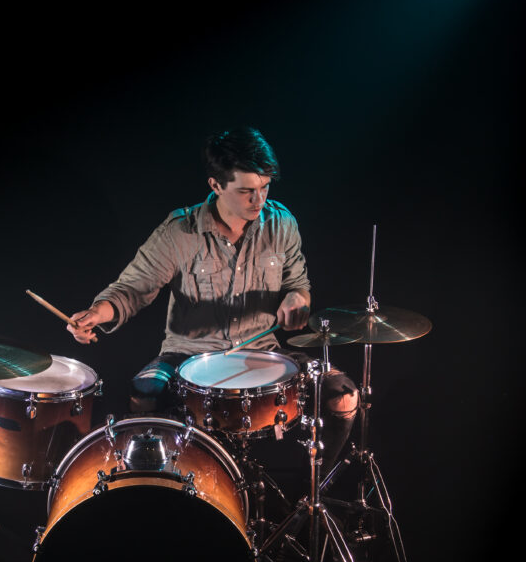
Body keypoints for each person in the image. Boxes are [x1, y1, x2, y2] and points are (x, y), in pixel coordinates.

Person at [68, 127, 358, 476]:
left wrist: (298, 299)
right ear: (216, 185)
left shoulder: (282, 224)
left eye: (265, 187)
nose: (259, 200)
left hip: (263, 351)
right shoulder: (179, 231)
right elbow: (132, 289)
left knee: (342, 395)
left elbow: (299, 285)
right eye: (247, 191)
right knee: (145, 394)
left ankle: (302, 503)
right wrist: (97, 313)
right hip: (187, 355)